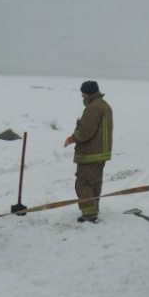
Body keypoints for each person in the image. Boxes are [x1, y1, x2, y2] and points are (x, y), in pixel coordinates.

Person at [64, 80, 113, 223]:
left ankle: (89, 214)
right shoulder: (105, 106)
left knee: (83, 184)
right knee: (95, 183)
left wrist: (72, 138)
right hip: (101, 153)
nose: (81, 96)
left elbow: (85, 132)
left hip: (90, 154)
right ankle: (93, 210)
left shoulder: (94, 108)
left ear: (88, 93)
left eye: (83, 93)